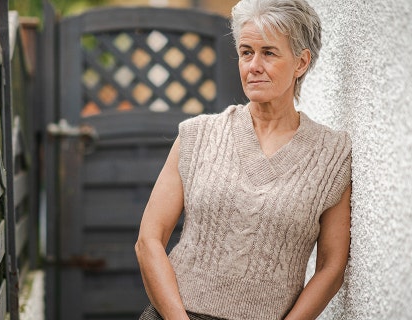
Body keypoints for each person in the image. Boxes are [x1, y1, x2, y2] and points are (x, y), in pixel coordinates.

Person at [135, 0, 352, 319]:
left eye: (269, 52)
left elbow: (331, 267)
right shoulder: (197, 135)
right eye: (246, 52)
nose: (254, 66)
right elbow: (149, 240)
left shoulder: (331, 155)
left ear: (301, 63)